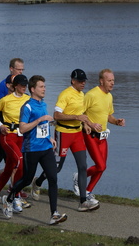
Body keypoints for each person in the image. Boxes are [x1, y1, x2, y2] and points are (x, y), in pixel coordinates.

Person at [2, 75, 68, 225]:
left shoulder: (43, 104)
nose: (44, 89)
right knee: (26, 179)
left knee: (53, 178)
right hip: (31, 149)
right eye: (41, 87)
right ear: (33, 89)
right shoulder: (27, 106)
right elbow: (22, 128)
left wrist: (50, 138)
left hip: (45, 148)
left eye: (44, 86)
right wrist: (38, 120)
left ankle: (54, 214)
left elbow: (44, 126)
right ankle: (10, 197)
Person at [34, 69, 99, 211]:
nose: (83, 83)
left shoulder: (82, 95)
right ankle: (38, 182)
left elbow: (81, 114)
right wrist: (76, 117)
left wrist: (85, 124)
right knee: (57, 167)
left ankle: (82, 201)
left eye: (84, 81)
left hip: (77, 135)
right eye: (80, 81)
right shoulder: (65, 94)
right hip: (63, 134)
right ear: (73, 81)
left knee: (82, 166)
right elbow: (56, 115)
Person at [0, 74, 30, 213]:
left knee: (9, 169)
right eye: (22, 85)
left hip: (21, 136)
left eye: (25, 85)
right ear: (15, 86)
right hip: (7, 136)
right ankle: (15, 196)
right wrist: (0, 126)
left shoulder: (28, 99)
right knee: (20, 163)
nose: (24, 87)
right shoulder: (6, 100)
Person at [81, 69, 125, 202]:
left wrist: (116, 121)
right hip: (90, 135)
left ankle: (87, 191)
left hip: (103, 137)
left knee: (102, 168)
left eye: (113, 81)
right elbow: (79, 113)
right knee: (100, 166)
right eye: (109, 80)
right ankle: (80, 178)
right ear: (101, 81)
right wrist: (86, 124)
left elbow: (108, 116)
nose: (112, 83)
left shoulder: (109, 96)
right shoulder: (91, 95)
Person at [0, 58, 24, 195]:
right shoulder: (3, 86)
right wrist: (2, 125)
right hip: (1, 127)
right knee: (0, 155)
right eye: (18, 69)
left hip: (15, 129)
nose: (21, 72)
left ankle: (14, 188)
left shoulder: (20, 85)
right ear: (11, 69)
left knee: (12, 159)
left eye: (22, 70)